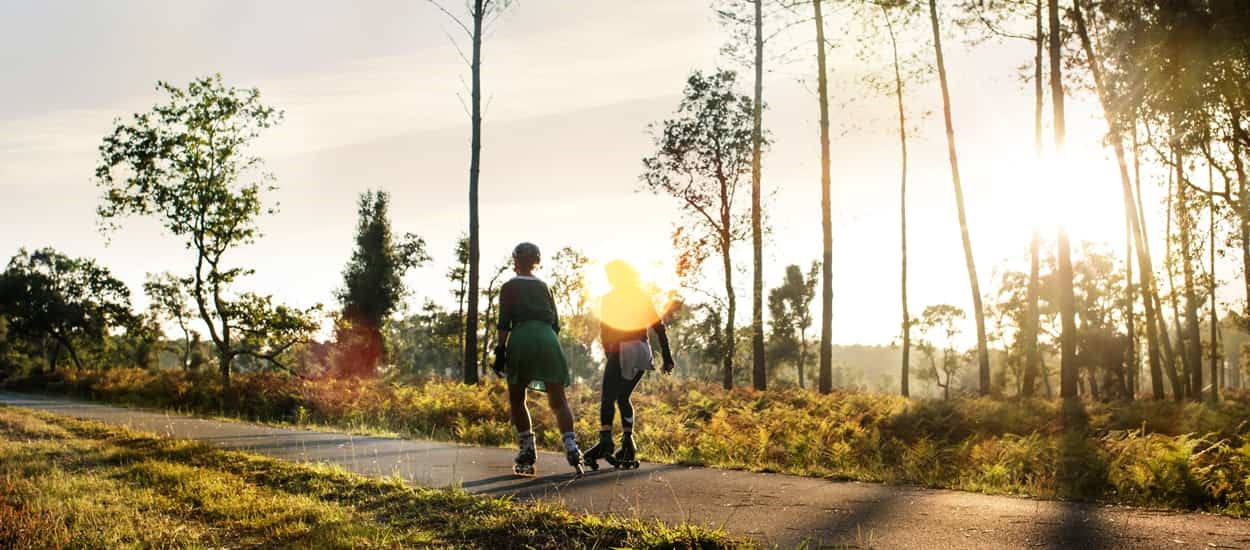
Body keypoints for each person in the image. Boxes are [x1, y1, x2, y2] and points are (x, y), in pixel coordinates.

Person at [492, 242, 583, 477]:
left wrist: (501, 351)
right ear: (536, 261)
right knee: (558, 400)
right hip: (548, 338)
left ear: (515, 260)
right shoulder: (545, 287)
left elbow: (504, 323)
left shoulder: (509, 287)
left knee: (517, 397)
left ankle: (527, 450)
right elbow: (556, 323)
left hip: (521, 337)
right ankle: (571, 445)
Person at [581, 260, 676, 471]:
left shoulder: (609, 298)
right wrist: (667, 357)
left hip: (622, 348)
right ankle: (628, 442)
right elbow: (658, 327)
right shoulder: (641, 296)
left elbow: (605, 329)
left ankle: (606, 440)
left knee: (608, 396)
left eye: (610, 275)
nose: (608, 279)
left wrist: (609, 353)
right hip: (643, 350)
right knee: (623, 397)